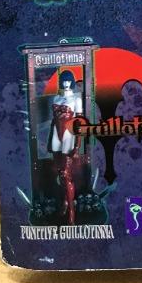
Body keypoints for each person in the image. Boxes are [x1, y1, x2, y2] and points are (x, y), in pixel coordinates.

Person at [48, 70, 82, 224]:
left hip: (69, 136)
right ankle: (65, 201)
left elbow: (79, 124)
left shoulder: (76, 99)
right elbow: (53, 122)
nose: (66, 83)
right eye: (64, 80)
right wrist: (49, 140)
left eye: (68, 80)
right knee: (60, 173)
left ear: (72, 82)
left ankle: (71, 211)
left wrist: (78, 145)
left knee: (66, 174)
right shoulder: (55, 98)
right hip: (56, 136)